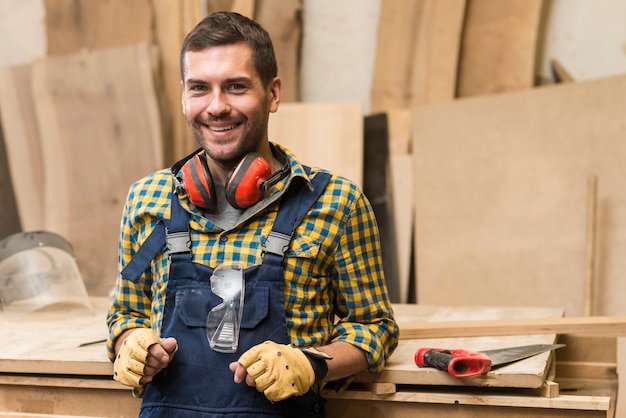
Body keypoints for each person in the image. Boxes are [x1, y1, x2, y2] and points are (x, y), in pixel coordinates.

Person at [106, 10, 398, 418]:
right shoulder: (146, 200)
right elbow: (125, 313)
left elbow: (374, 329)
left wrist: (311, 363)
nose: (217, 106)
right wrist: (132, 343)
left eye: (236, 87)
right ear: (184, 97)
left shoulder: (336, 203)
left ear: (273, 93)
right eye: (199, 88)